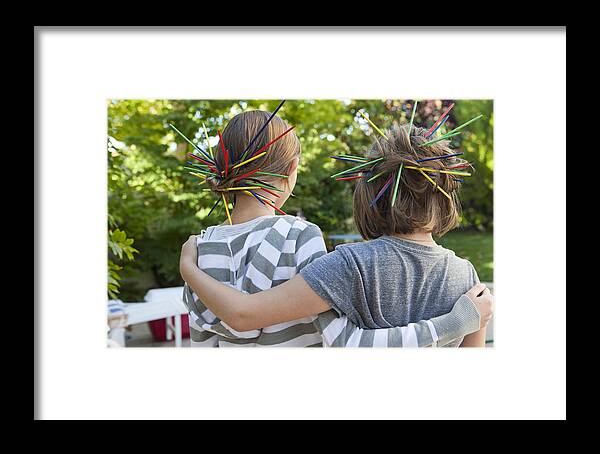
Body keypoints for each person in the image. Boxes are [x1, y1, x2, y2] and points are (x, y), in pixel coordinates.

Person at [180, 116, 493, 347]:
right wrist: (455, 323)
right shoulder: (468, 278)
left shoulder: (201, 247)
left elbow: (208, 334)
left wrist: (188, 270)